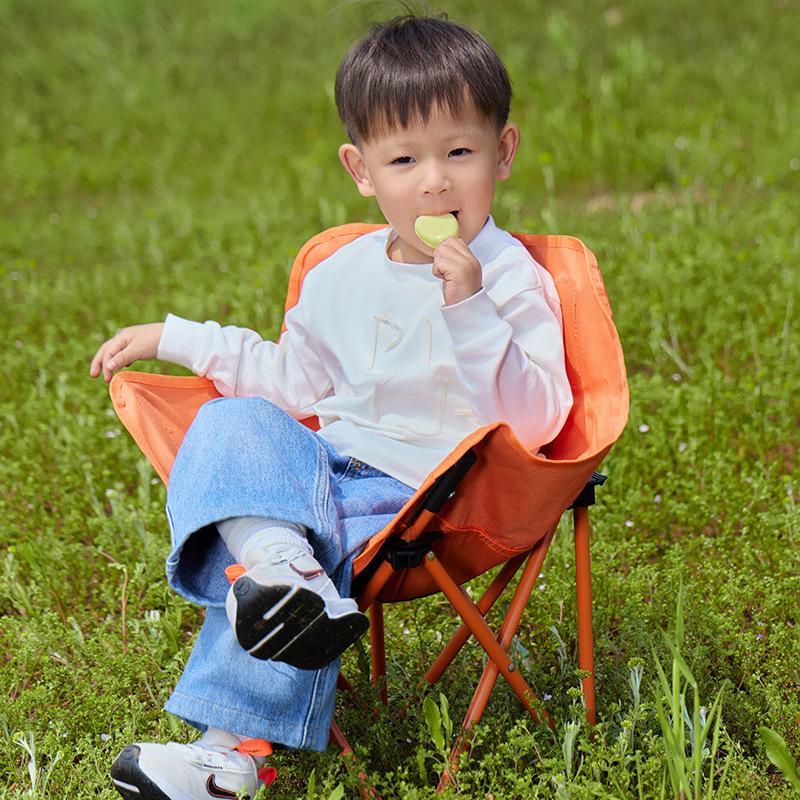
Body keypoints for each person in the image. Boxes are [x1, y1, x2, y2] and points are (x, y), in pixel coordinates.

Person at [91, 12, 573, 800]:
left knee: (280, 556)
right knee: (231, 423)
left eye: (460, 152)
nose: (435, 182)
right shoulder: (342, 274)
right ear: (361, 170)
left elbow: (538, 420)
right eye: (404, 159)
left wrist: (473, 311)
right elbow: (292, 384)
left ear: (504, 153)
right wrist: (176, 336)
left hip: (432, 491)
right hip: (327, 466)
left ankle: (230, 752)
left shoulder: (512, 278)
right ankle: (286, 571)